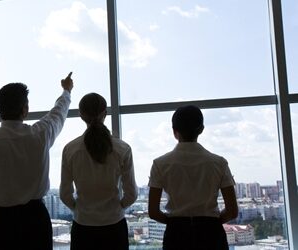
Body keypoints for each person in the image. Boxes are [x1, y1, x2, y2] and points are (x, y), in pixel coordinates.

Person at [0, 72, 74, 250]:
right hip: (36, 221)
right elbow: (58, 114)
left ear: (0, 110)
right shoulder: (40, 134)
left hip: (2, 224)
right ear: (25, 110)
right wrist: (66, 91)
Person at [148, 105, 239, 250]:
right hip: (211, 233)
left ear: (174, 131)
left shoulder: (160, 164)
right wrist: (212, 221)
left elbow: (153, 211)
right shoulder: (219, 163)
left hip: (176, 234)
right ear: (201, 129)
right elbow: (232, 211)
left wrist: (174, 222)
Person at [60, 92, 138, 250]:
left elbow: (65, 194)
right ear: (105, 113)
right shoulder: (122, 148)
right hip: (114, 227)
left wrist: (80, 209)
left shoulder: (70, 149)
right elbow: (132, 194)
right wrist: (117, 207)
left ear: (81, 115)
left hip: (83, 228)